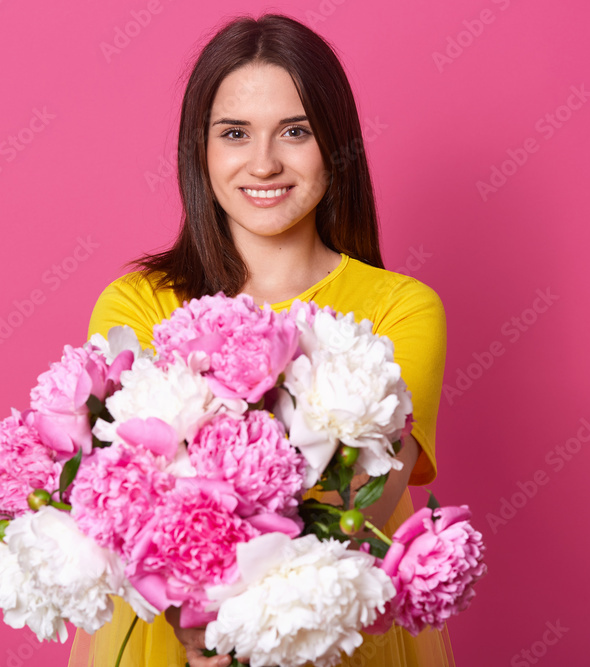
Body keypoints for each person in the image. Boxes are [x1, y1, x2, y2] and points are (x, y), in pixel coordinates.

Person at [68, 12, 454, 667]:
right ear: (202, 149)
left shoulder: (400, 311)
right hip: (173, 635)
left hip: (321, 626)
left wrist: (244, 617)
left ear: (335, 145)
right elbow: (122, 495)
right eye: (235, 133)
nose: (264, 162)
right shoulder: (136, 303)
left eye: (295, 132)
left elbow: (365, 500)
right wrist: (195, 623)